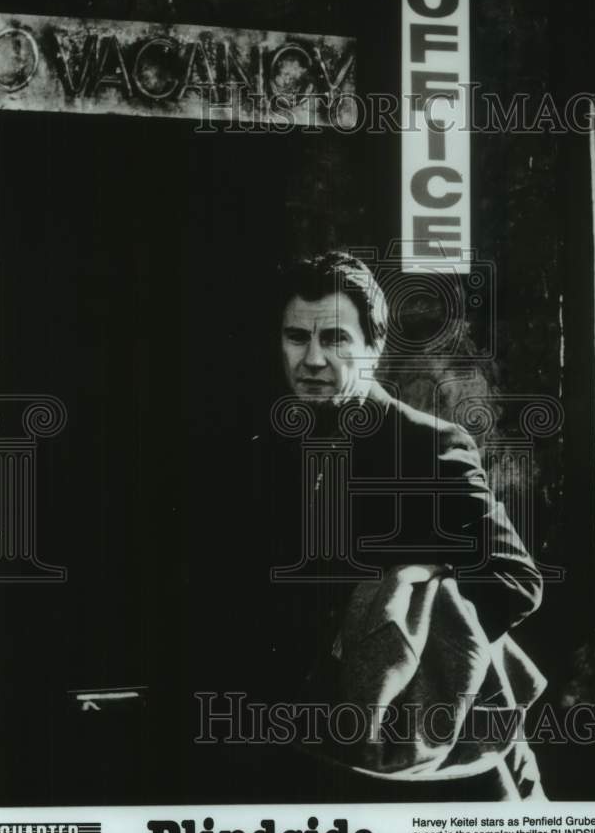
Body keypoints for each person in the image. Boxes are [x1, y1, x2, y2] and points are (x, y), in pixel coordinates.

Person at [226, 250, 546, 801]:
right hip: (294, 740)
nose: (314, 359)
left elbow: (518, 582)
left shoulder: (428, 445)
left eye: (336, 339)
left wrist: (409, 589)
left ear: (374, 347)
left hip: (415, 754)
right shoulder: (262, 452)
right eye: (296, 337)